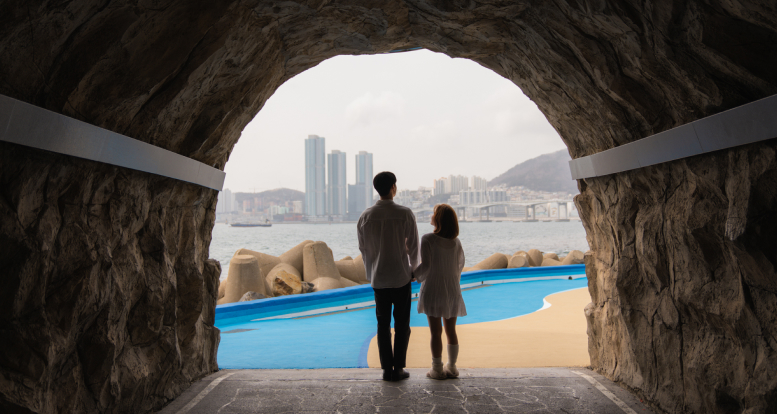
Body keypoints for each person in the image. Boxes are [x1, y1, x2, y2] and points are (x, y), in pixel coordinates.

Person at [357, 171, 420, 381]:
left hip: (379, 279)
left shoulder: (366, 216)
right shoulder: (405, 213)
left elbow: (363, 249)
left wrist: (371, 273)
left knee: (382, 325)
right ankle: (399, 368)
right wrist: (414, 270)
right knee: (402, 325)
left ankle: (386, 369)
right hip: (401, 277)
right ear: (393, 187)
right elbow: (413, 247)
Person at [414, 203, 466, 380]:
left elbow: (426, 266)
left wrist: (413, 275)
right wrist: (452, 283)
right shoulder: (455, 242)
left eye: (434, 212)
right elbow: (459, 266)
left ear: (439, 219)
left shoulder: (428, 239)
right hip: (451, 289)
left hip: (434, 289)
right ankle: (452, 367)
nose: (431, 215)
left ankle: (437, 369)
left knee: (436, 332)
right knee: (451, 331)